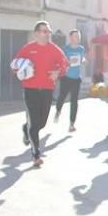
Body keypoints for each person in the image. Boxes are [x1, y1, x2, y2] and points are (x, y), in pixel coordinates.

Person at [11, 21, 69, 167]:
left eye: (49, 31)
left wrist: (58, 72)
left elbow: (65, 65)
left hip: (47, 89)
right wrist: (20, 71)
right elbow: (15, 64)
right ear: (36, 33)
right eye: (44, 31)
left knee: (41, 123)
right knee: (34, 123)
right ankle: (36, 154)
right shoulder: (28, 48)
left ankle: (26, 128)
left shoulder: (55, 50)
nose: (47, 34)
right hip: (30, 89)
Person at [54, 30, 85, 133]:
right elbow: (61, 62)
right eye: (76, 36)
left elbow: (81, 59)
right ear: (71, 37)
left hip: (76, 78)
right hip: (66, 78)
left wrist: (83, 60)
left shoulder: (81, 49)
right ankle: (58, 110)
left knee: (74, 101)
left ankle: (72, 124)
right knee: (62, 97)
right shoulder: (66, 49)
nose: (78, 38)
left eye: (79, 36)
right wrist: (68, 62)